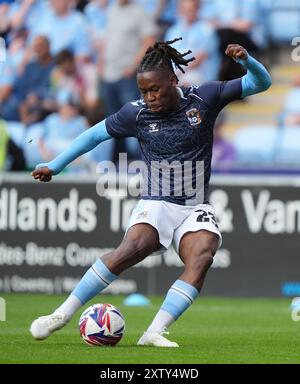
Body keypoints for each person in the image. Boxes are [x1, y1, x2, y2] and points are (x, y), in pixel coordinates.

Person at [29, 38, 272, 347]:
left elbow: (260, 83)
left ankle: (153, 332)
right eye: (144, 91)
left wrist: (248, 61)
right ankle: (61, 314)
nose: (150, 97)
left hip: (195, 205)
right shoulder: (137, 113)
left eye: (155, 89)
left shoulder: (205, 97)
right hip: (156, 202)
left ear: (173, 79)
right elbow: (93, 136)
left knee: (202, 256)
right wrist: (55, 164)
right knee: (133, 248)